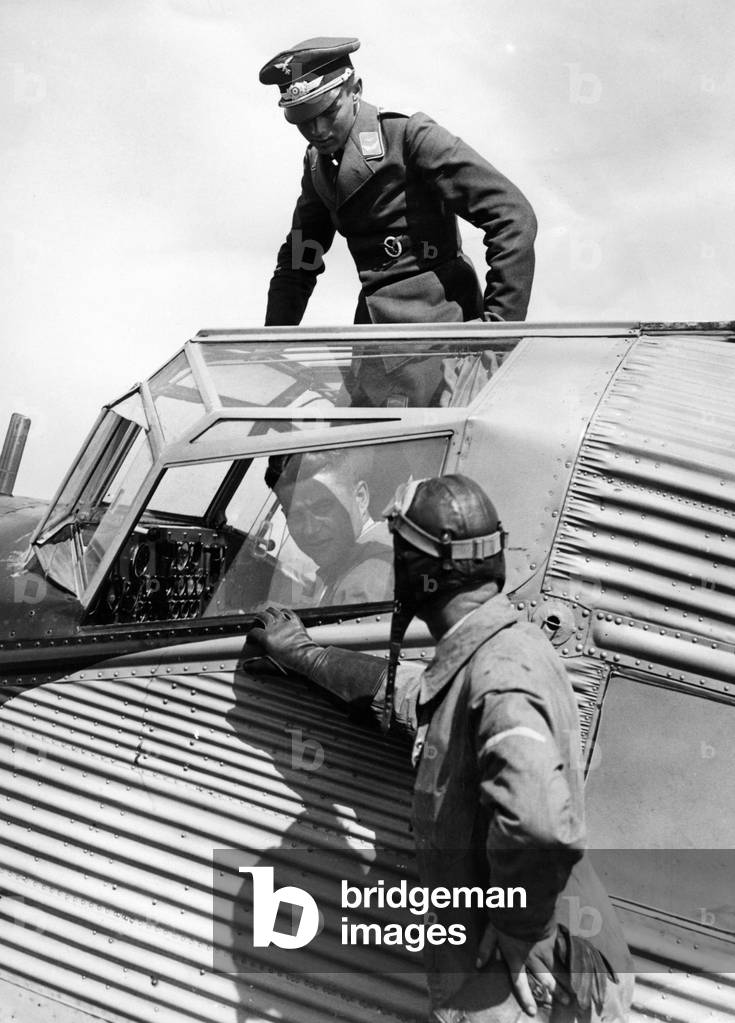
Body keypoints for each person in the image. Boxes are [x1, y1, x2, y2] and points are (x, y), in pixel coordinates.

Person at [248, 474, 635, 1022]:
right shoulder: (500, 649)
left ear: (421, 573)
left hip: (529, 984)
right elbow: (409, 698)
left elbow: (540, 823)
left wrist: (524, 927)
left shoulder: (500, 677)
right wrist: (305, 654)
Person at [259, 37, 537, 327]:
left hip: (441, 340)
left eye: (329, 112)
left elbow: (514, 217)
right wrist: (270, 345)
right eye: (304, 119)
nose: (318, 130)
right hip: (374, 340)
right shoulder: (318, 164)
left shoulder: (410, 137)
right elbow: (300, 259)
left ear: (355, 91)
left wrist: (498, 333)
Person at [265, 448, 393, 606]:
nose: (310, 529)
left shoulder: (368, 579)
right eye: (296, 515)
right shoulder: (346, 559)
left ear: (361, 497)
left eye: (323, 507)